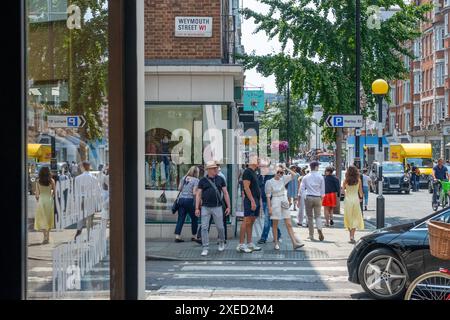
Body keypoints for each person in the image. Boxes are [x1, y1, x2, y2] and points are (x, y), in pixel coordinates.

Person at [195, 161, 231, 256]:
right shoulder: (202, 181)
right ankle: (205, 247)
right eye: (214, 168)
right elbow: (198, 194)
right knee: (204, 228)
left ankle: (221, 241)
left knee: (220, 227)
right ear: (209, 170)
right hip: (205, 208)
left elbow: (226, 193)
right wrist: (197, 208)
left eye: (216, 168)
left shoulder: (220, 179)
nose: (216, 169)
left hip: (218, 207)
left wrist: (228, 206)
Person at [265, 164, 304, 250]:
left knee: (289, 224)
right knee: (275, 224)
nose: (279, 174)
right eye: (278, 172)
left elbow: (295, 175)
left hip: (284, 200)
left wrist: (285, 168)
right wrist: (269, 208)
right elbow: (268, 196)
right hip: (275, 201)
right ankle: (275, 243)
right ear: (274, 172)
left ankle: (294, 243)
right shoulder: (269, 182)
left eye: (281, 173)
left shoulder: (283, 178)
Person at [237, 154, 262, 253]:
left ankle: (250, 243)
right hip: (250, 200)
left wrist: (257, 201)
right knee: (246, 221)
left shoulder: (254, 172)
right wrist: (252, 201)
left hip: (255, 200)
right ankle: (241, 245)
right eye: (258, 160)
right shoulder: (247, 172)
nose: (259, 161)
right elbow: (246, 188)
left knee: (251, 222)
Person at [257, 160, 282, 244]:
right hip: (263, 201)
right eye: (261, 167)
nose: (262, 168)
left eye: (264, 167)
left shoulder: (272, 176)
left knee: (267, 220)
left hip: (271, 201)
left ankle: (263, 238)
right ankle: (278, 234)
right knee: (270, 221)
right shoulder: (259, 177)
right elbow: (259, 190)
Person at [299, 161, 325, 241]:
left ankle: (311, 235)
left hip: (309, 197)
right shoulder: (320, 177)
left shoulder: (306, 177)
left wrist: (304, 196)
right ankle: (319, 229)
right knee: (318, 216)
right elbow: (322, 190)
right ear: (316, 167)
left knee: (309, 217)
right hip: (317, 197)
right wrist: (322, 198)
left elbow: (301, 189)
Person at [74, 161, 99, 240]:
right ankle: (89, 235)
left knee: (81, 217)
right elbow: (97, 190)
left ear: (83, 167)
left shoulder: (78, 178)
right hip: (91, 198)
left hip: (82, 199)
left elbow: (76, 191)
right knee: (90, 218)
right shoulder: (94, 178)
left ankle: (79, 232)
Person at [174, 166, 199, 242]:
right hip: (190, 200)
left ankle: (177, 236)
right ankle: (194, 236)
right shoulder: (196, 180)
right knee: (194, 218)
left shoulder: (184, 178)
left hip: (181, 200)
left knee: (181, 218)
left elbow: (179, 188)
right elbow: (194, 192)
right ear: (196, 173)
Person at [343, 165, 365, 244]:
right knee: (355, 218)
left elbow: (343, 191)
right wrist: (361, 198)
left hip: (348, 200)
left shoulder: (346, 180)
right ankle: (352, 235)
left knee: (348, 218)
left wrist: (346, 194)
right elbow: (360, 192)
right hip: (356, 200)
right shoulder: (358, 180)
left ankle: (351, 236)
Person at [34, 166, 55, 244]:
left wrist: (38, 199)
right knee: (49, 219)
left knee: (42, 219)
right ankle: (48, 237)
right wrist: (51, 195)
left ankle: (44, 237)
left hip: (41, 201)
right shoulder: (52, 181)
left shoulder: (38, 181)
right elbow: (55, 193)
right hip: (49, 200)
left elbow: (37, 195)